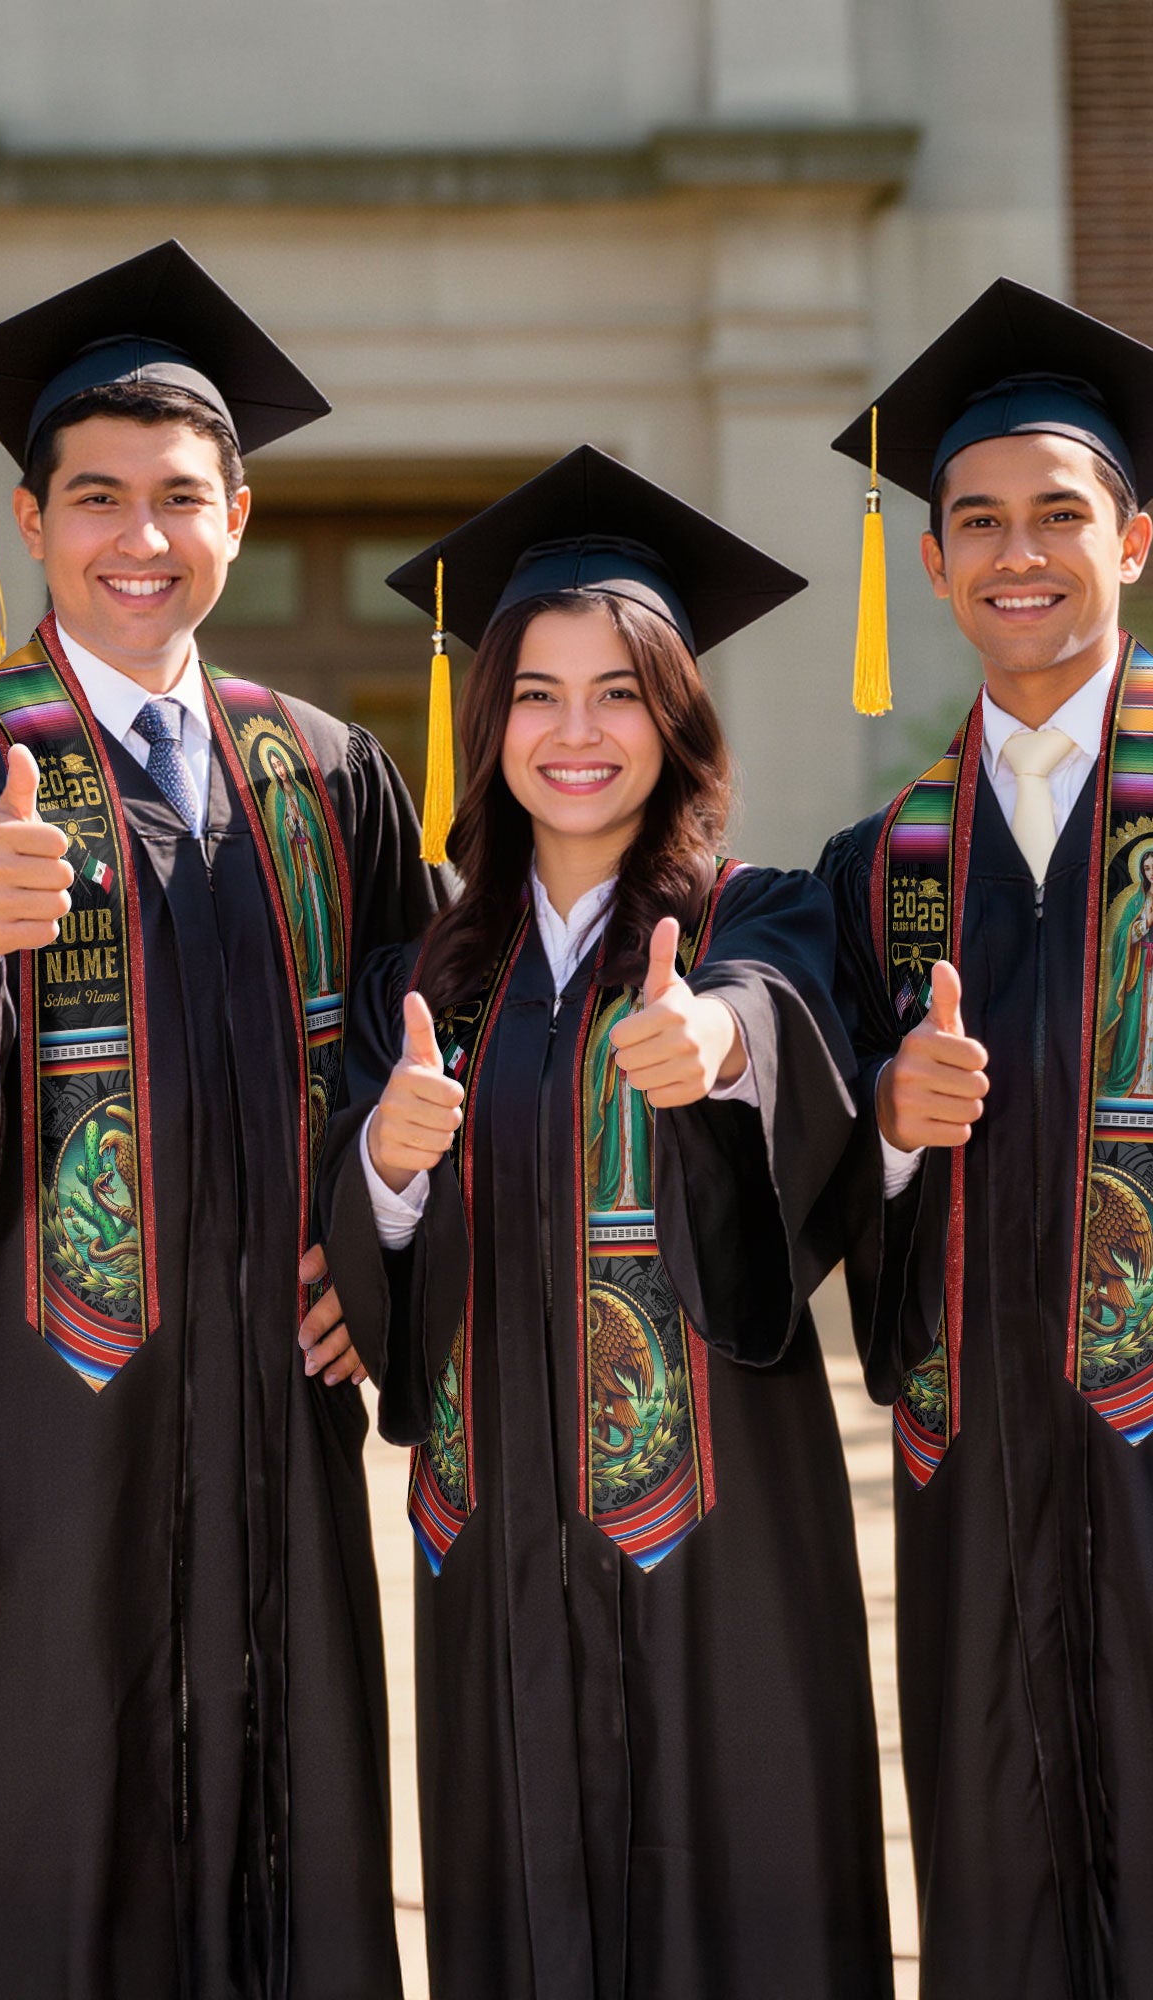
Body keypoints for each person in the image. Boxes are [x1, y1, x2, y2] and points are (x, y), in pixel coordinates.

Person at [0, 241, 443, 1999]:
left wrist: (382, 1248)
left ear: (239, 514)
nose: (139, 538)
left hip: (279, 1415)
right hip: (52, 1422)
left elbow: (437, 1046)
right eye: (97, 498)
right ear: (32, 521)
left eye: (181, 498)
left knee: (298, 1829)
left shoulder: (326, 770)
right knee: (54, 1848)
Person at [321, 447, 892, 1998]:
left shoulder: (755, 916)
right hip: (494, 1539)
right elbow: (368, 1258)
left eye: (622, 692)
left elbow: (782, 1025)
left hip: (722, 1545)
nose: (578, 733)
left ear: (678, 718)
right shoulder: (423, 981)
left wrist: (715, 1050)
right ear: (487, 722)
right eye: (537, 694)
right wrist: (385, 1155)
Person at [818, 279, 1153, 1999]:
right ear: (938, 561)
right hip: (980, 1493)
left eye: (1057, 515)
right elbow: (814, 1180)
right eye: (976, 522)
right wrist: (884, 1127)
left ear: (1135, 538)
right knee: (1003, 1897)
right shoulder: (885, 865)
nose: (1015, 553)